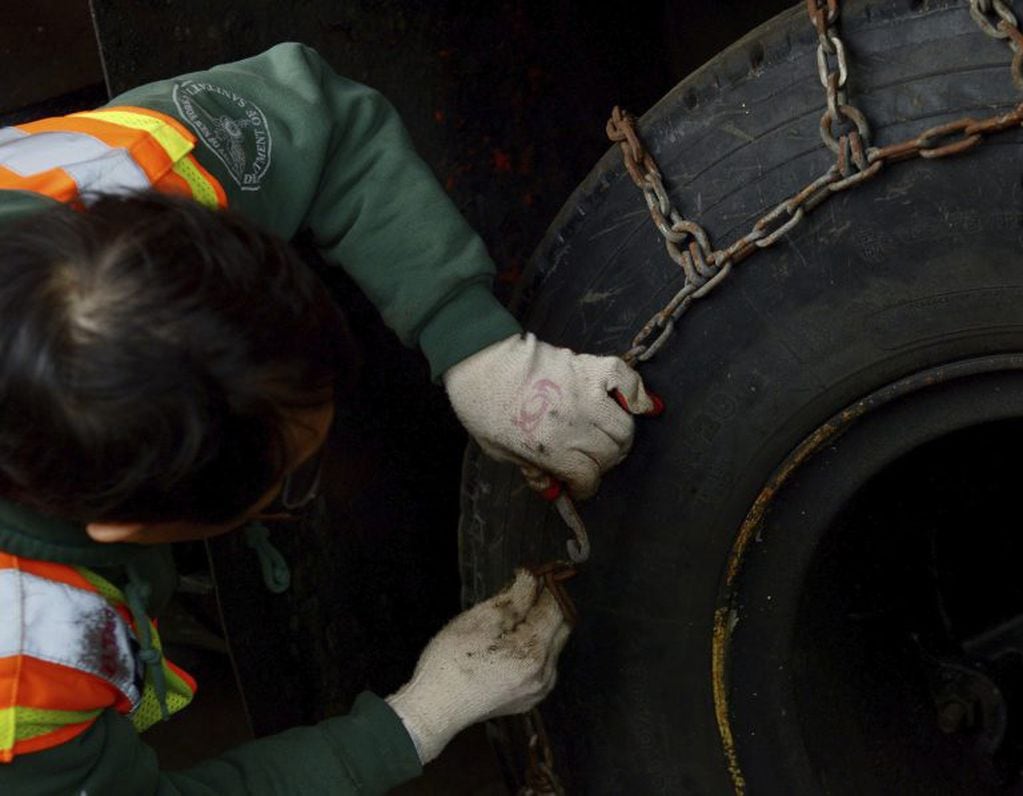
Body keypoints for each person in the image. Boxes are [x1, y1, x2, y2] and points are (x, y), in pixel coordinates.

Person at [0, 44, 656, 793]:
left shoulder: (112, 185)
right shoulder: (21, 665)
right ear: (121, 524)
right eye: (289, 478)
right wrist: (410, 725)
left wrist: (475, 346)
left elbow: (319, 121)